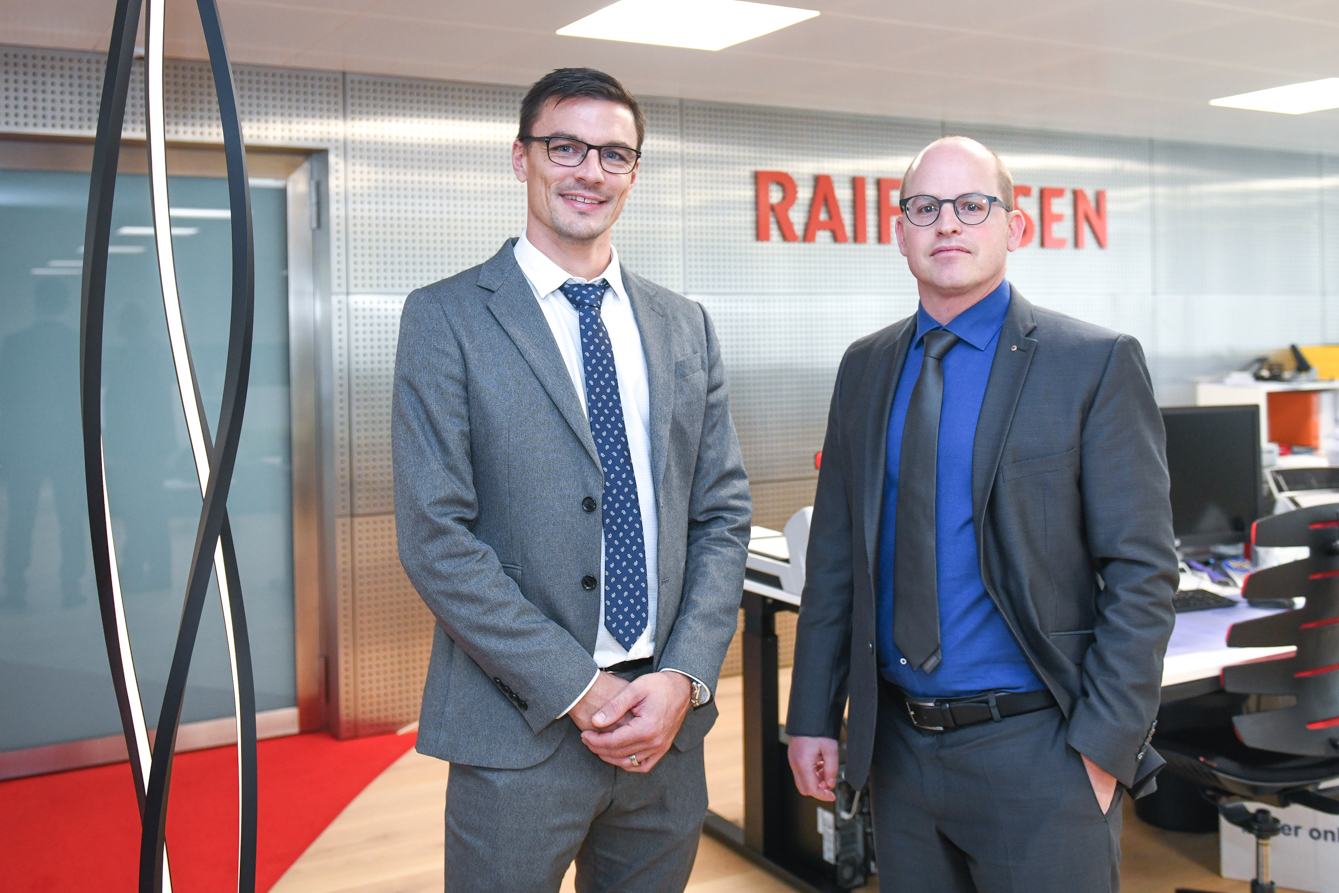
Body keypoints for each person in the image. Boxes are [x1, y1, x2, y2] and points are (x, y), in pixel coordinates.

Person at [392, 68, 751, 892]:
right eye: (565, 147)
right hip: (517, 726)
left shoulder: (683, 323)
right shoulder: (446, 317)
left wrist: (684, 676)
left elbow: (721, 514)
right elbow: (435, 536)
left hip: (665, 726)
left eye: (613, 154)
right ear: (521, 158)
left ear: (633, 173)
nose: (590, 170)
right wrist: (577, 686)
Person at [785, 136, 1176, 892]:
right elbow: (834, 561)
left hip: (1040, 749)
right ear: (899, 232)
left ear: (1014, 227)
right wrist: (811, 715)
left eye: (971, 205)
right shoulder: (865, 366)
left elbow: (1142, 569)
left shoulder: (1090, 362)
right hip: (897, 749)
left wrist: (1104, 747)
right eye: (924, 207)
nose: (946, 224)